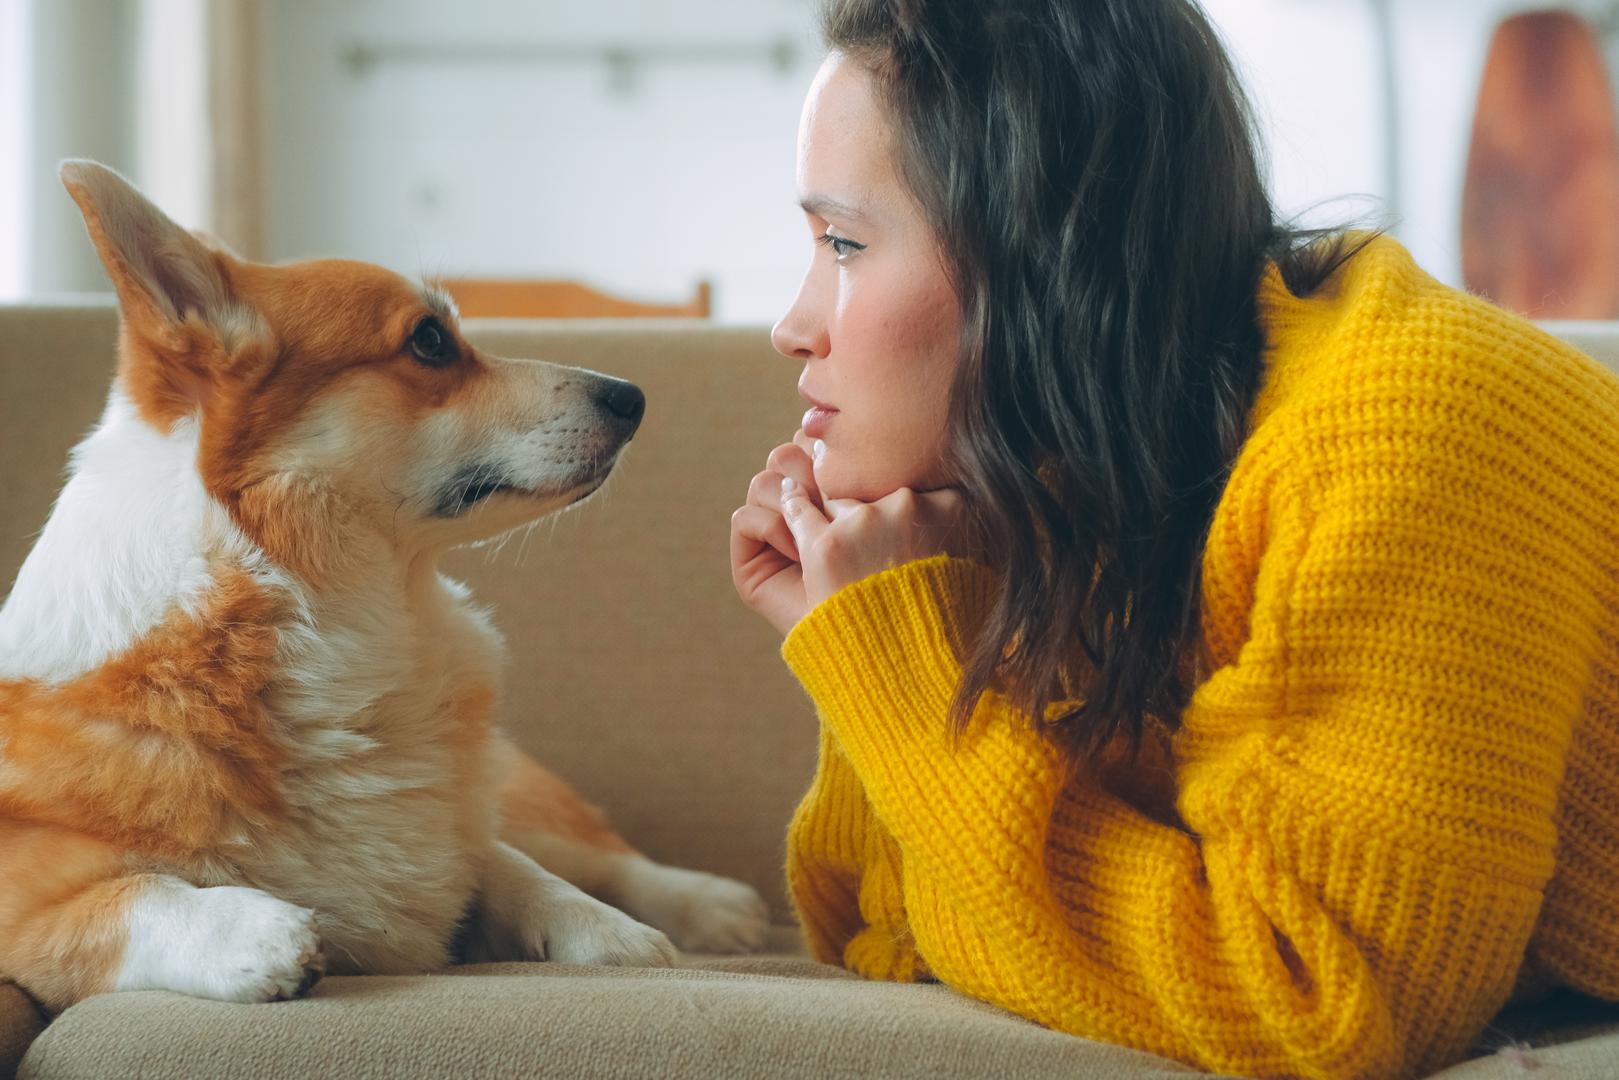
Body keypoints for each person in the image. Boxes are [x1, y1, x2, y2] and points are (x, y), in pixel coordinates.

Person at [727, 1, 1619, 1077]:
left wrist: (900, 673)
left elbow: (1319, 1006)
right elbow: (874, 922)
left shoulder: (1392, 428)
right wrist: (916, 621)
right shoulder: (1095, 476)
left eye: (843, 244)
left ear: (1049, 251)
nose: (793, 322)